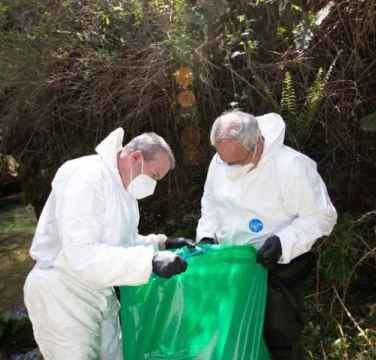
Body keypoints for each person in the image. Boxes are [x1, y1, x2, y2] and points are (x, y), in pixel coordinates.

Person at [23, 128, 188, 360]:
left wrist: (161, 243)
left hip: (99, 291)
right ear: (135, 158)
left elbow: (122, 243)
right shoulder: (86, 176)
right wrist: (149, 261)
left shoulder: (124, 189)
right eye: (154, 176)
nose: (154, 185)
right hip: (62, 293)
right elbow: (81, 254)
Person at [196, 110, 337, 359]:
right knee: (235, 337)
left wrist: (283, 242)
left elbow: (322, 216)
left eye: (236, 161)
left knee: (279, 339)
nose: (229, 167)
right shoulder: (221, 161)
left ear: (258, 143)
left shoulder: (291, 166)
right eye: (224, 160)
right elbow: (211, 204)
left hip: (278, 269)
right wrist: (207, 235)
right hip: (233, 269)